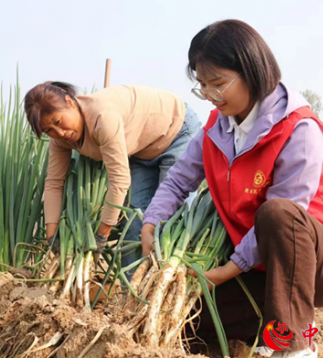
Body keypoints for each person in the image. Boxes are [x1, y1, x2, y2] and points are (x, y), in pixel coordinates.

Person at [141, 19, 323, 357]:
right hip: (262, 268)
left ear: (252, 71)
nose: (209, 95)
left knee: (277, 213)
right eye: (202, 85)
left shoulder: (298, 129)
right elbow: (177, 180)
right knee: (192, 322)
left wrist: (228, 270)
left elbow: (291, 209)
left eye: (217, 83)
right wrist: (150, 224)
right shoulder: (216, 130)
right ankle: (261, 334)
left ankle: (292, 347)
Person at [24, 82, 200, 267]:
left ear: (70, 102)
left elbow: (119, 182)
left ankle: (173, 282)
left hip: (177, 131)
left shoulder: (102, 117)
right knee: (134, 222)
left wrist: (101, 235)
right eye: (48, 130)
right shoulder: (60, 140)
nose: (59, 132)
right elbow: (54, 183)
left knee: (172, 221)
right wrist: (52, 236)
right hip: (142, 151)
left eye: (58, 122)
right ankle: (129, 292)